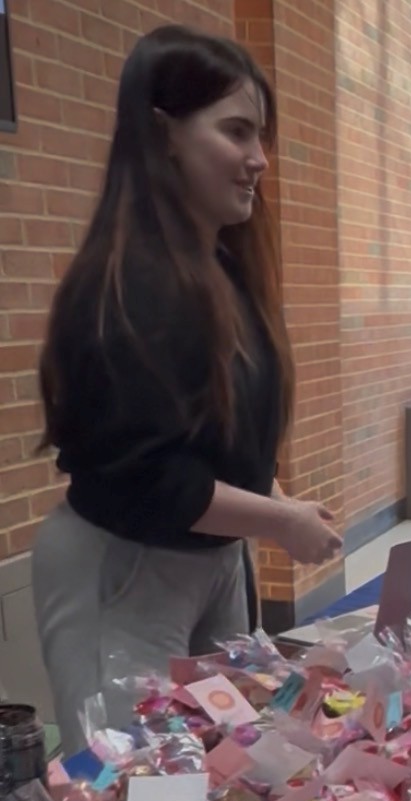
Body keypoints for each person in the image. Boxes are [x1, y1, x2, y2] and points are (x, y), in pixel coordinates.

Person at [34, 25, 342, 756]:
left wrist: (272, 502)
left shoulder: (226, 272)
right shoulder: (127, 286)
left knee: (230, 767)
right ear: (163, 135)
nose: (257, 160)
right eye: (236, 133)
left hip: (211, 562)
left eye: (260, 136)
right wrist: (278, 520)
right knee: (138, 791)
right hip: (124, 566)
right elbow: (148, 478)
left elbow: (229, 430)